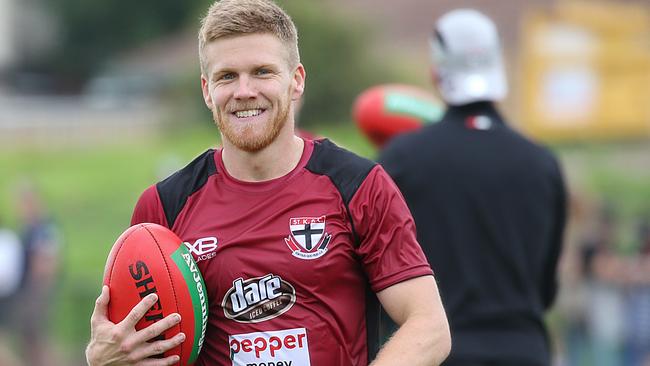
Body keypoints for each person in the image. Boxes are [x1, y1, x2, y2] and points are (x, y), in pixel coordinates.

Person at [85, 1, 451, 365]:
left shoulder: (358, 187)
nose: (244, 91)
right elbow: (135, 345)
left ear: (296, 81)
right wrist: (105, 360)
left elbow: (429, 327)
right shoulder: (165, 207)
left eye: (262, 72)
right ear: (207, 90)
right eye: (227, 76)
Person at [378, 9, 566, 366]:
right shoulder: (542, 162)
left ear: (436, 72)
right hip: (525, 352)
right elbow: (545, 289)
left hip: (439, 353)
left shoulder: (401, 158)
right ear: (499, 70)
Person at [15, 184, 62, 366]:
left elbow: (48, 262)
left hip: (38, 291)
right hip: (30, 291)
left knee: (40, 338)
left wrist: (40, 291)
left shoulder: (44, 228)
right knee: (29, 339)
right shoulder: (29, 228)